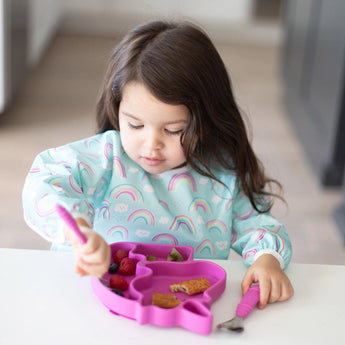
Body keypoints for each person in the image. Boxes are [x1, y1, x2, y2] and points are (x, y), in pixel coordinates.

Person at [22, 19, 294, 309]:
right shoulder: (106, 157)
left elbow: (257, 226)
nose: (151, 144)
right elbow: (45, 181)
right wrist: (77, 229)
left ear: (206, 121)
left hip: (187, 306)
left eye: (174, 130)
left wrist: (267, 260)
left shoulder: (223, 173)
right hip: (97, 304)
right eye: (135, 124)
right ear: (117, 109)